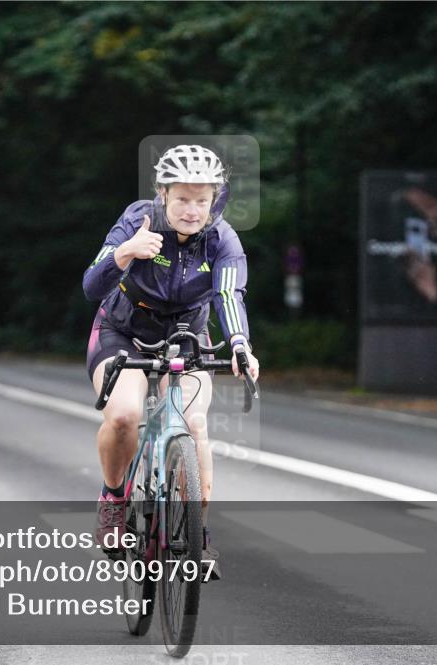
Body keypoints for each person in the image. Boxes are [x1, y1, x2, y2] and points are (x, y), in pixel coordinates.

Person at [82, 145, 261, 578]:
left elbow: (228, 294)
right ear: (162, 193)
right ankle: (113, 499)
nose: (192, 210)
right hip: (121, 331)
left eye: (202, 200)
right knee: (124, 416)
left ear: (214, 198)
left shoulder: (222, 239)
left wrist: (239, 344)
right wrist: (126, 252)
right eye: (182, 198)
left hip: (186, 337)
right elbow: (92, 284)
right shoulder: (136, 220)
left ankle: (197, 535)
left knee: (193, 424)